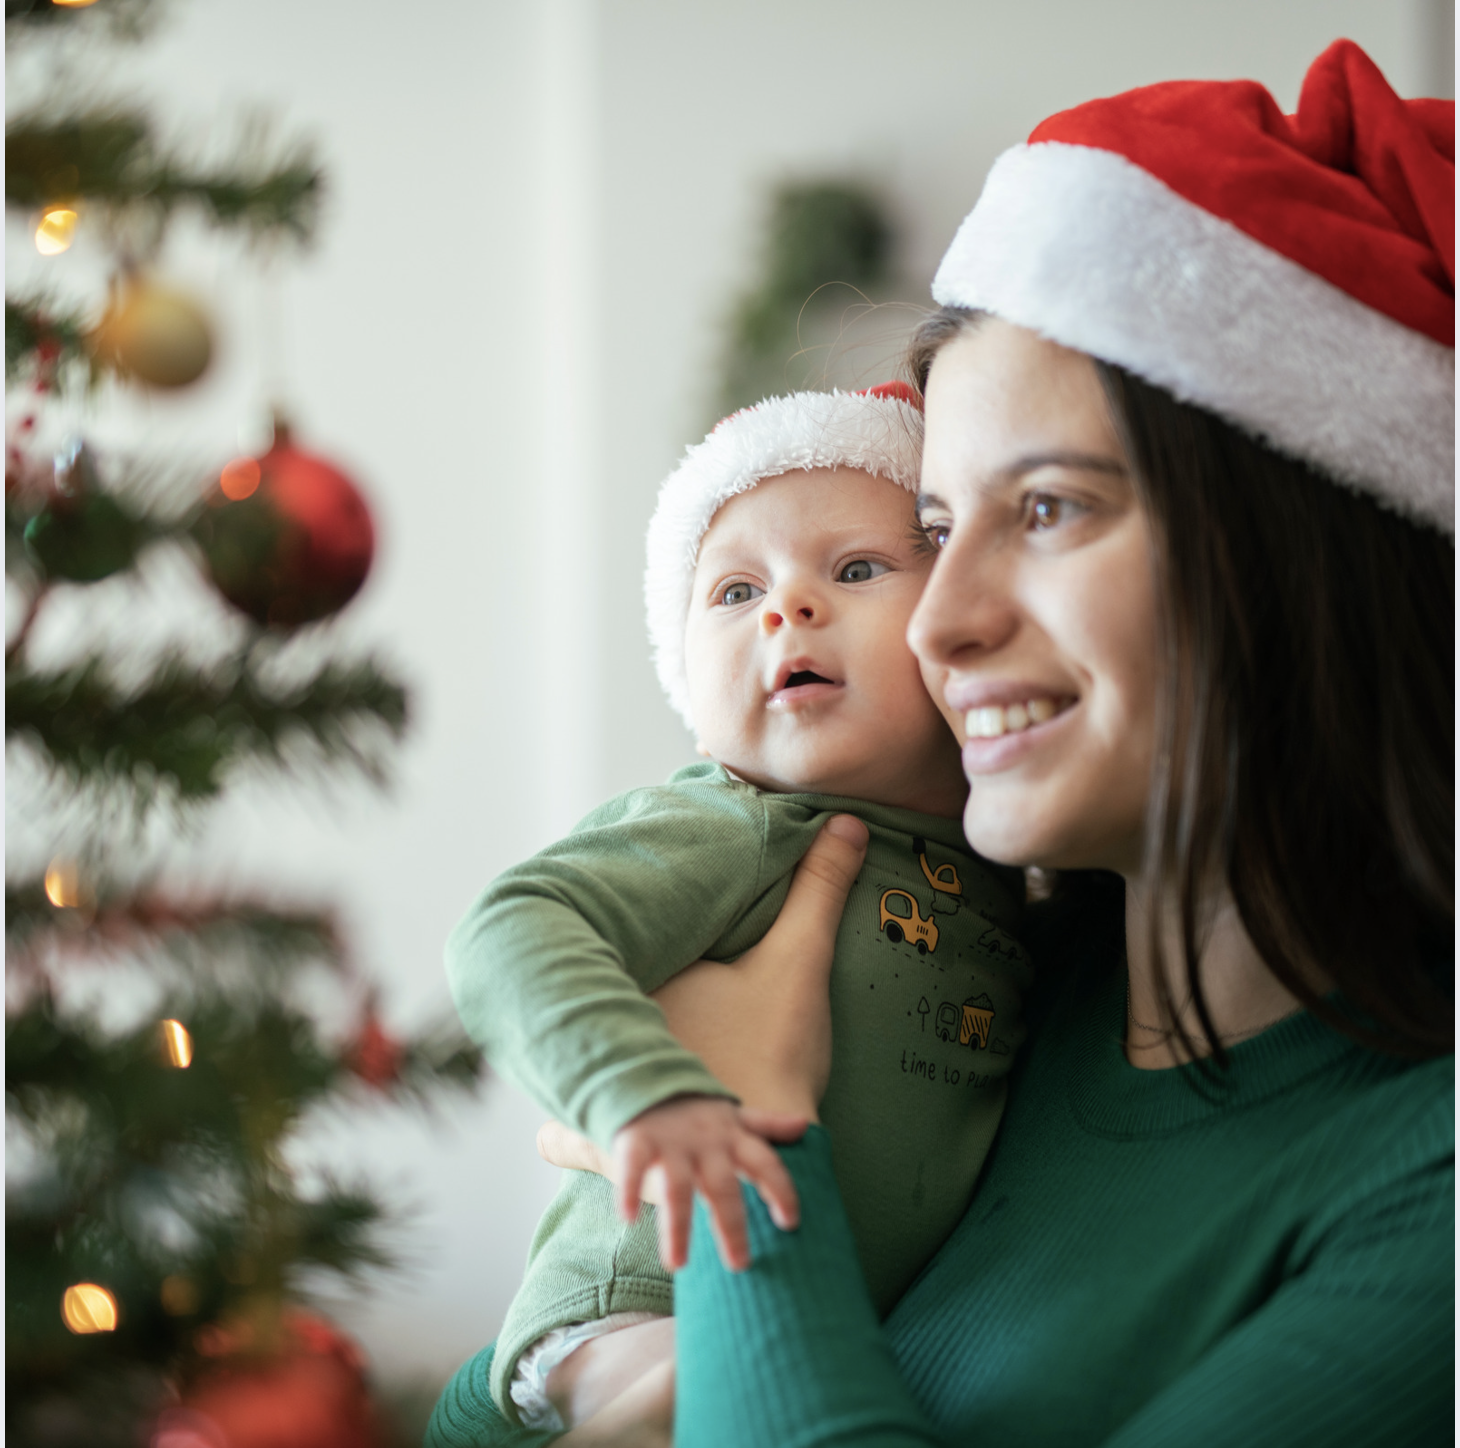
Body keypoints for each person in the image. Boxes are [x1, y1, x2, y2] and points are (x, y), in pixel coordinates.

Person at [429, 39, 1452, 1448]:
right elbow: (471, 1425)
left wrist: (752, 1162)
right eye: (929, 535)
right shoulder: (995, 991)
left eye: (1047, 511)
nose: (937, 622)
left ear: (1307, 551)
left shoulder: (1425, 1195)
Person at [443, 386, 1033, 1435]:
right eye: (732, 590)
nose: (784, 608)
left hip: (837, 1315)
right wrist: (647, 1097)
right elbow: (512, 923)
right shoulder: (738, 822)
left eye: (854, 569)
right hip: (643, 1305)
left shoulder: (1013, 871)